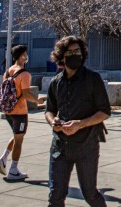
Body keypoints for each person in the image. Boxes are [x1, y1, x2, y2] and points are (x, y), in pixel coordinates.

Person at [45, 35, 111, 206]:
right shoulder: (56, 82)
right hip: (60, 147)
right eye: (70, 52)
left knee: (90, 194)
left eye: (78, 51)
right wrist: (54, 122)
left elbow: (104, 111)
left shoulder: (93, 79)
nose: (75, 55)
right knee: (55, 196)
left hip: (86, 145)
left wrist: (80, 124)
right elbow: (49, 110)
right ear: (61, 56)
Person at [0, 45, 45, 181]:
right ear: (21, 56)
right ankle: (13, 170)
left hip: (8, 111)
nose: (27, 56)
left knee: (17, 135)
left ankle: (4, 158)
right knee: (19, 140)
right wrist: (37, 100)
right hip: (20, 112)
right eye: (25, 54)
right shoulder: (24, 74)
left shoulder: (7, 72)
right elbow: (26, 93)